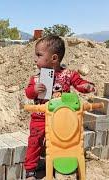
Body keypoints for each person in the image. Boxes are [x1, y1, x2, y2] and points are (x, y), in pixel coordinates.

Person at [24, 35, 95, 180]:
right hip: (40, 118)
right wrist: (34, 90)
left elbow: (79, 83)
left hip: (61, 119)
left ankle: (60, 164)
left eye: (39, 55)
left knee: (63, 141)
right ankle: (30, 170)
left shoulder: (68, 75)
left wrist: (87, 86)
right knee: (34, 141)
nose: (35, 59)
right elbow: (29, 93)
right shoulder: (36, 78)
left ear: (54, 58)